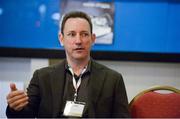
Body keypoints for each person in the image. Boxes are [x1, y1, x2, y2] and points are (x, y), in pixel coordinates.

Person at [6, 11, 130, 118]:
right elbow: (26, 115)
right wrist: (15, 107)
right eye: (71, 34)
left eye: (84, 34)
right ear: (61, 39)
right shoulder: (42, 77)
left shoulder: (113, 80)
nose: (78, 41)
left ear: (93, 39)